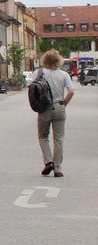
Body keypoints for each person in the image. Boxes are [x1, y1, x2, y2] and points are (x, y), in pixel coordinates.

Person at [36, 49, 74, 177]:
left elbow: (33, 89)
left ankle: (48, 162)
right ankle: (58, 168)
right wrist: (64, 103)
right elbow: (71, 91)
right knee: (58, 139)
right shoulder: (64, 75)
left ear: (44, 60)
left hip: (44, 108)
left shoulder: (39, 73)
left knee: (42, 136)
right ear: (59, 61)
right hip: (59, 107)